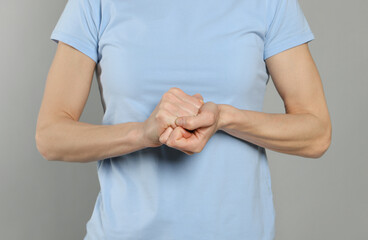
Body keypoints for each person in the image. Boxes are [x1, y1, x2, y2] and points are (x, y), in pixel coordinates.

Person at [35, 0, 331, 239]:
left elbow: (316, 133)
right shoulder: (94, 3)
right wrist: (142, 133)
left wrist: (226, 118)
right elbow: (51, 136)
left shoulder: (271, 3)